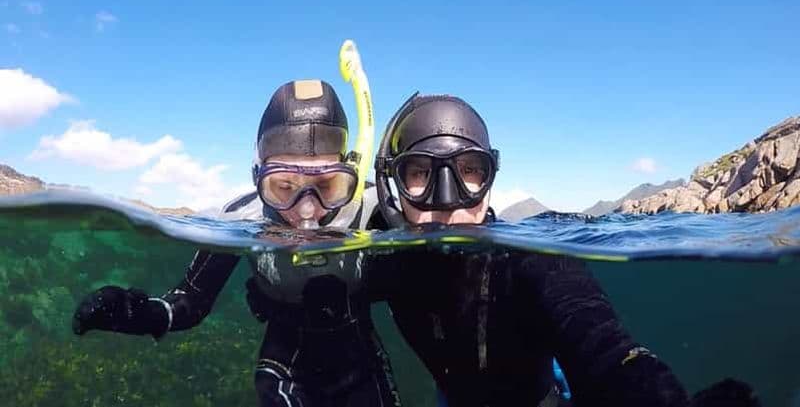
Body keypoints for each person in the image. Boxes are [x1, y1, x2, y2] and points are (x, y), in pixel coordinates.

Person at [72, 80, 400, 407]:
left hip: (361, 360)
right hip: (284, 360)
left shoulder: (374, 209)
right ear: (258, 176)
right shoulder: (242, 216)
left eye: (327, 186)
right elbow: (190, 301)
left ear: (349, 173)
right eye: (284, 187)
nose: (307, 212)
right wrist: (141, 314)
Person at [366, 93, 691, 407]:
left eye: (469, 170)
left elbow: (604, 347)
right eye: (420, 172)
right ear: (392, 186)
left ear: (490, 177)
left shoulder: (527, 259)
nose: (449, 202)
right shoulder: (386, 258)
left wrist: (650, 391)